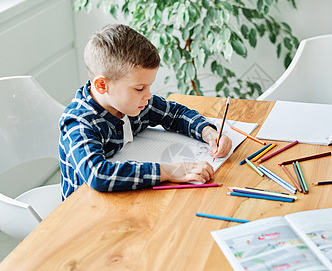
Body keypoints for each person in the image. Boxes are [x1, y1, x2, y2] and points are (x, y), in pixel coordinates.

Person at [59, 24, 232, 200]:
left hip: (126, 199)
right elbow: (98, 174)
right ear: (102, 85)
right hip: (83, 212)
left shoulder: (136, 103)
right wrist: (168, 171)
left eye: (149, 86)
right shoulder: (78, 122)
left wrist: (208, 132)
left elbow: (175, 113)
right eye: (140, 88)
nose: (148, 95)